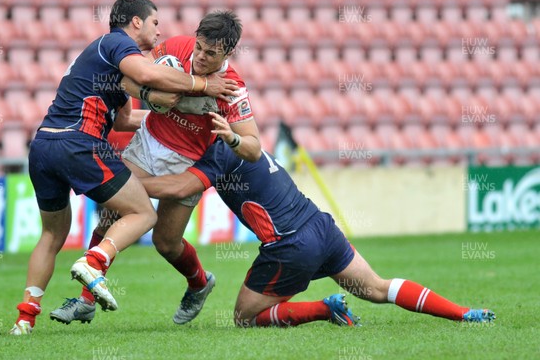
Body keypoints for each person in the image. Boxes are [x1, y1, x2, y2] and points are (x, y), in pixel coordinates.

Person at [9, 0, 239, 335]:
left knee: (63, 234)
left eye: (210, 53)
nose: (159, 32)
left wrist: (168, 107)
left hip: (47, 146)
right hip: (89, 144)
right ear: (136, 23)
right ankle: (91, 278)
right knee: (136, 212)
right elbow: (143, 75)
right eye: (154, 23)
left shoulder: (232, 84)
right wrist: (196, 87)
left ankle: (25, 319)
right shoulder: (125, 44)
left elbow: (124, 118)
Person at [135, 113, 496, 327]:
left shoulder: (217, 153)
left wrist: (121, 183)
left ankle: (325, 309)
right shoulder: (247, 143)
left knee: (245, 317)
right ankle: (463, 313)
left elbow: (179, 186)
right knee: (376, 288)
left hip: (289, 244)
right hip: (321, 227)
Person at [51, 10, 262, 326]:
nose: (201, 57)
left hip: (185, 162)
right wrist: (154, 95)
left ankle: (199, 283)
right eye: (199, 47)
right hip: (148, 143)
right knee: (112, 213)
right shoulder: (177, 48)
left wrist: (231, 137)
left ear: (228, 53)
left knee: (166, 243)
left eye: (211, 54)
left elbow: (254, 148)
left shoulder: (232, 88)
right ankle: (85, 301)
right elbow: (128, 80)